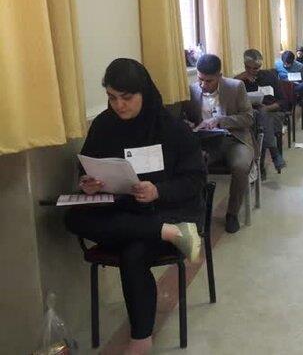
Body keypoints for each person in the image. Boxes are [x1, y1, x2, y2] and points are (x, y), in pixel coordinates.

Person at [65, 58, 206, 355]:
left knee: (134, 252)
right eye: (112, 98)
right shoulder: (104, 125)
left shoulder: (171, 127)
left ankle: (141, 338)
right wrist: (89, 182)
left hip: (167, 208)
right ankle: (166, 232)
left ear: (144, 92)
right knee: (72, 218)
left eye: (126, 98)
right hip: (123, 209)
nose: (119, 105)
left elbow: (195, 180)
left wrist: (158, 191)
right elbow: (87, 165)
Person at [182, 54, 254, 233]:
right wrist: (189, 125)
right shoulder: (192, 90)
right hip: (207, 141)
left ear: (219, 76)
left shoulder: (236, 87)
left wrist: (221, 120)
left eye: (209, 81)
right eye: (200, 79)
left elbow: (248, 118)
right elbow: (185, 118)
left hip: (234, 139)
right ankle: (197, 214)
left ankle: (232, 213)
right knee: (193, 165)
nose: (203, 85)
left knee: (240, 166)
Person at [235, 49, 286, 174]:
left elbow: (283, 102)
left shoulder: (270, 76)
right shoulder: (240, 80)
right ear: (244, 65)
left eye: (256, 68)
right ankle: (274, 153)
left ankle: (259, 168)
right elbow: (231, 101)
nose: (252, 71)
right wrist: (237, 80)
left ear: (261, 65)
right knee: (257, 116)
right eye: (248, 68)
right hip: (251, 113)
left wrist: (267, 108)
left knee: (260, 119)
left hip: (272, 112)